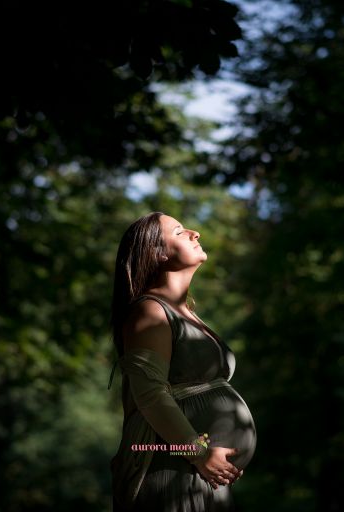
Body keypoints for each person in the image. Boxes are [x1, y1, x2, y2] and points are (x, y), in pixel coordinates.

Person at [108, 212, 257, 512]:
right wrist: (199, 452)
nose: (195, 233)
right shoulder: (150, 312)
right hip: (174, 472)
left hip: (202, 476)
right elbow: (149, 395)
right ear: (157, 253)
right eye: (179, 231)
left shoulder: (185, 312)